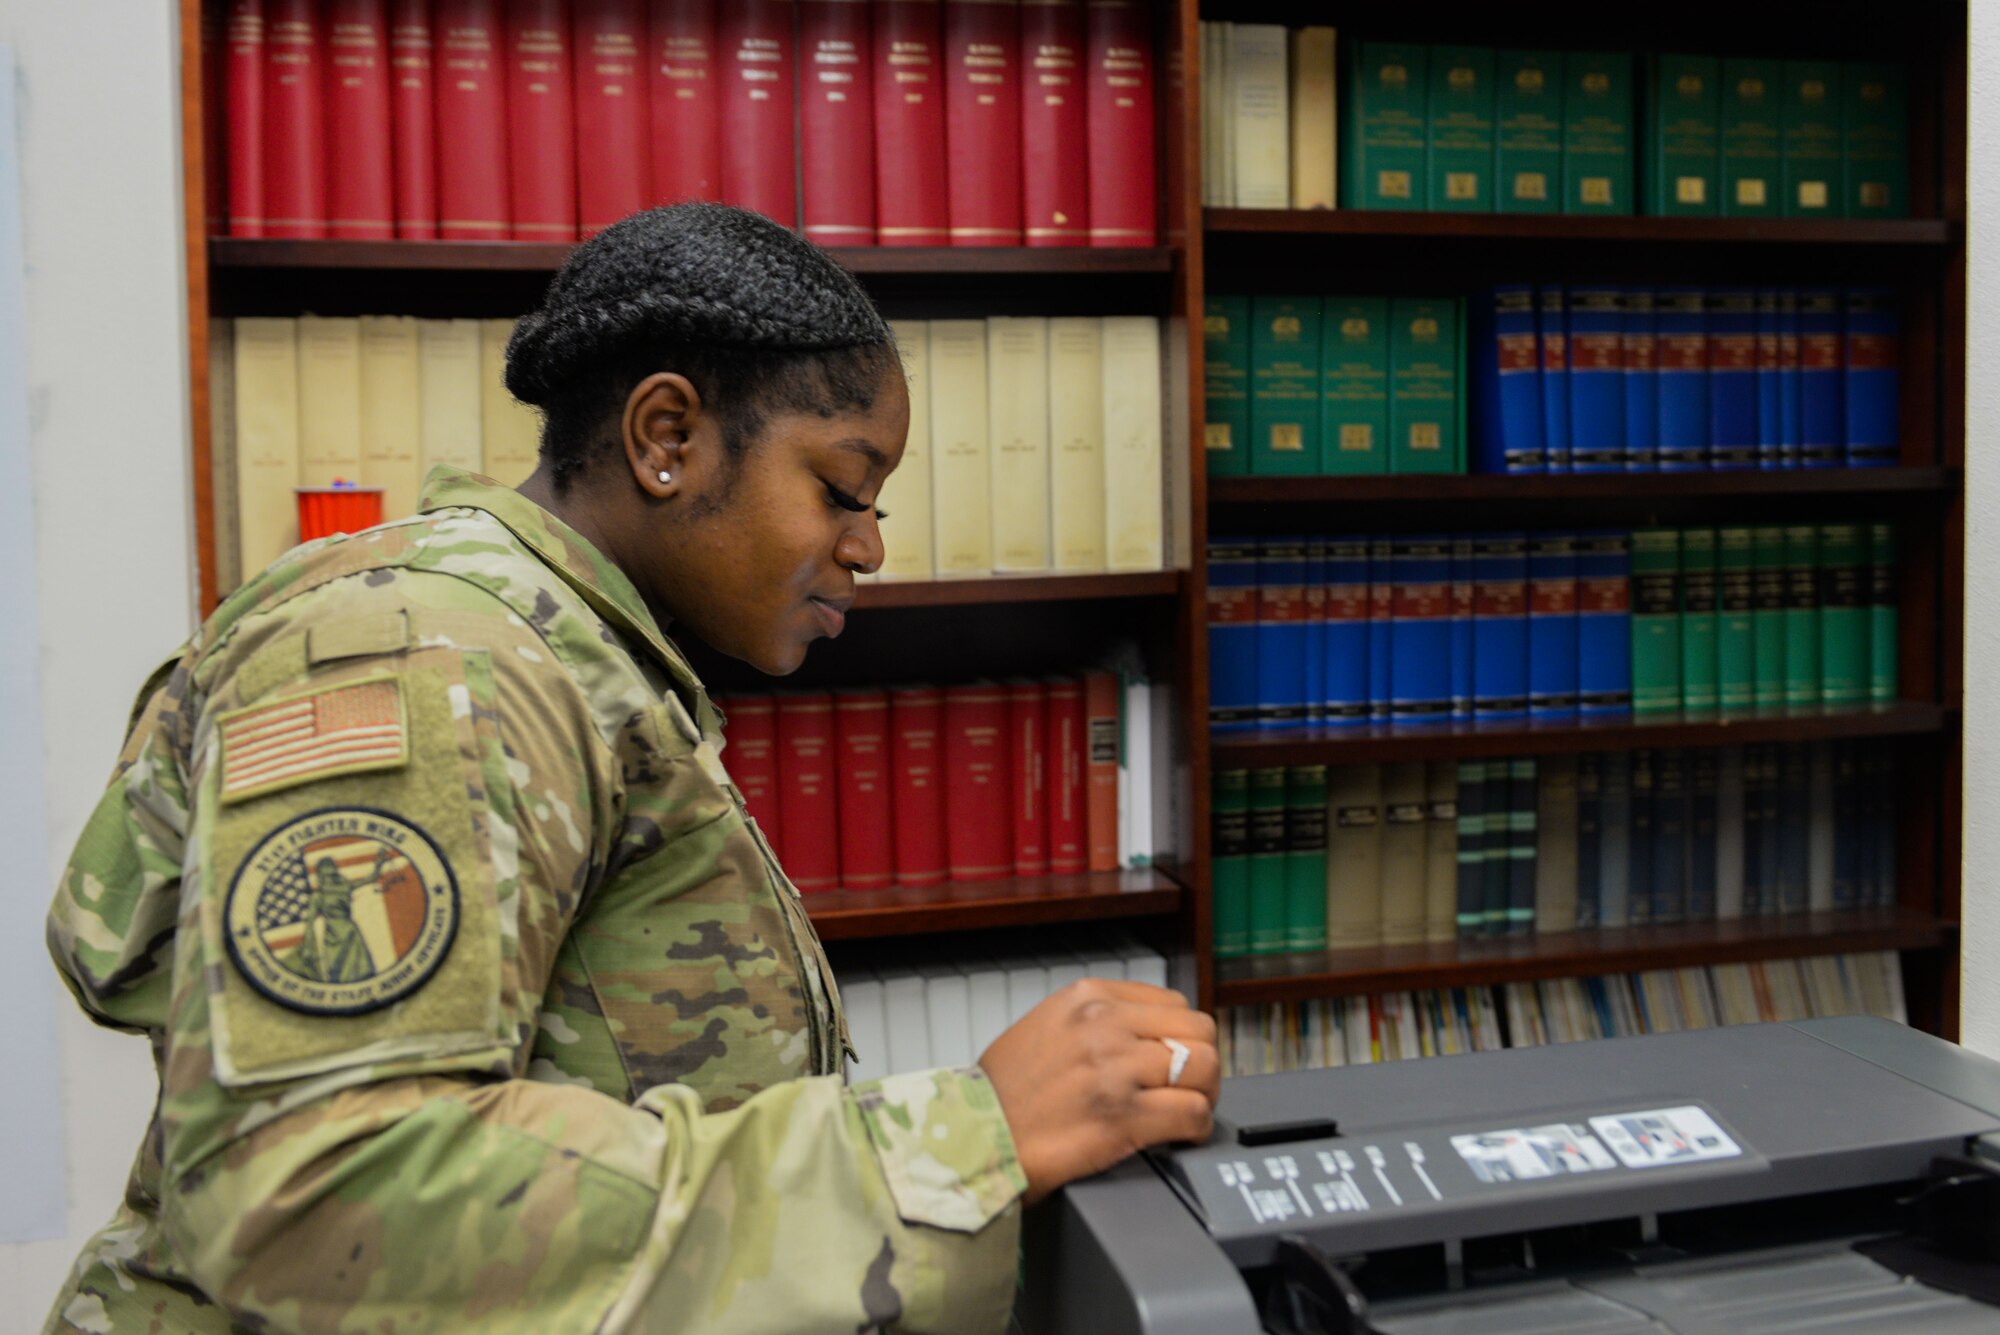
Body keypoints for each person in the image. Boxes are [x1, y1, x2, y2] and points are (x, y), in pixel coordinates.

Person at [43, 202, 1220, 1334]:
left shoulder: (574, 655)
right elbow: (313, 1199)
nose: (866, 546)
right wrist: (961, 1140)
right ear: (667, 438)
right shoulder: (439, 659)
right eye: (839, 489)